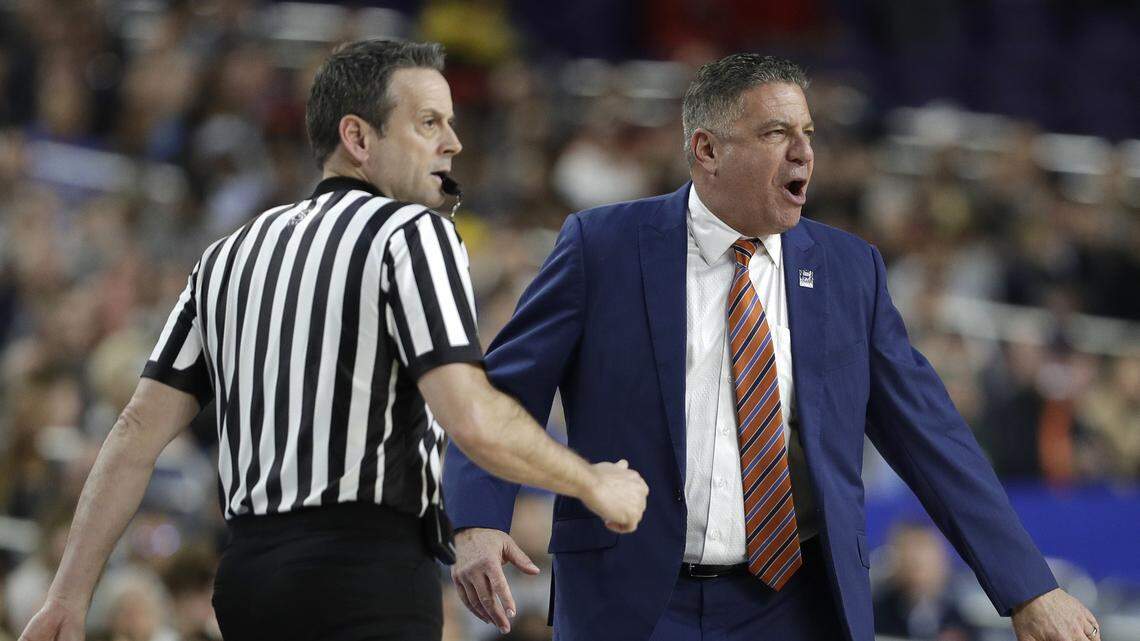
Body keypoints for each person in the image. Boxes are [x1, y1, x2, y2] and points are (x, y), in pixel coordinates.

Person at [443, 53, 1099, 641]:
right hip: (634, 596)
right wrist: (477, 519)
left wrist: (1027, 586)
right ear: (706, 149)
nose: (804, 152)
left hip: (795, 605)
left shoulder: (850, 270)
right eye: (775, 132)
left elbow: (932, 433)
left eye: (808, 133)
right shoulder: (603, 246)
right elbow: (502, 392)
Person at [18, 39, 647, 641]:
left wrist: (67, 598)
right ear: (358, 138)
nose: (453, 143)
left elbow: (133, 434)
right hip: (364, 573)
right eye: (429, 123)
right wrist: (591, 482)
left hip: (249, 580)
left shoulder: (229, 254)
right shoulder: (411, 233)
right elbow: (473, 417)